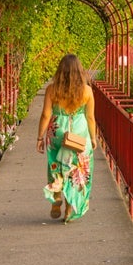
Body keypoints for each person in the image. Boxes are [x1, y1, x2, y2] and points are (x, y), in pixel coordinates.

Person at [35, 54, 98, 223]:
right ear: (80, 71)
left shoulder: (52, 89)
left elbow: (45, 115)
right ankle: (70, 207)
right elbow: (90, 117)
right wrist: (93, 138)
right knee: (76, 169)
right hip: (79, 132)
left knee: (56, 164)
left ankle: (56, 196)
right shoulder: (87, 91)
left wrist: (39, 138)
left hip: (58, 131)